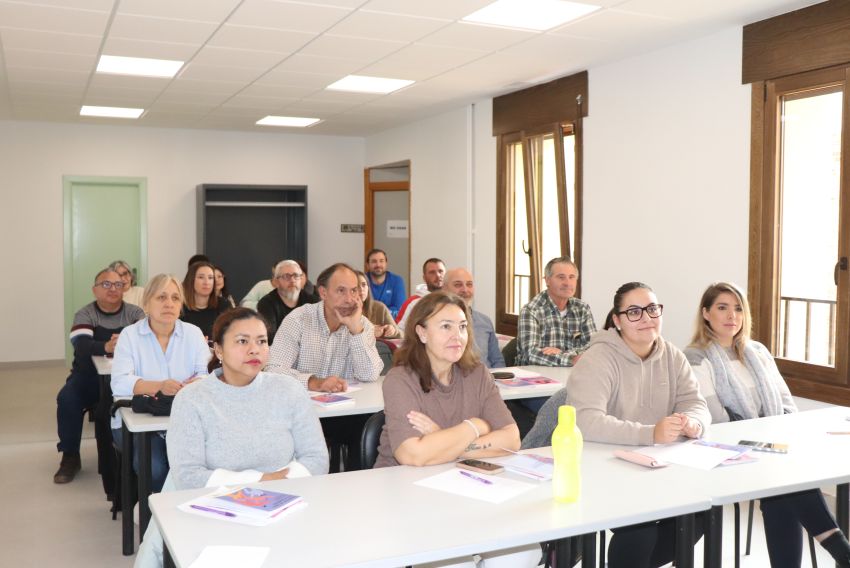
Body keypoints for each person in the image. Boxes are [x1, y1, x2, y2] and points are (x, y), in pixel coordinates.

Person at [135, 309, 329, 568]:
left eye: (261, 341)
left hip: (282, 507)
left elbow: (317, 458)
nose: (254, 349)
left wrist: (272, 490)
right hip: (211, 510)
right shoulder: (192, 398)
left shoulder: (288, 389)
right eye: (242, 341)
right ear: (218, 350)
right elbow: (189, 475)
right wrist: (261, 481)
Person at [686, 282, 850, 567]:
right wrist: (766, 439)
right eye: (722, 308)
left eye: (738, 308)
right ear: (706, 313)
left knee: (780, 485)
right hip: (725, 451)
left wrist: (784, 436)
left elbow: (786, 403)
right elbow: (717, 418)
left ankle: (841, 551)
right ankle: (840, 549)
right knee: (785, 478)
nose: (732, 316)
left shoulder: (757, 351)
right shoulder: (696, 357)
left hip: (772, 448)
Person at [375, 291, 539, 567]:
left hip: (465, 488)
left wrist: (442, 440)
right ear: (422, 333)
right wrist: (475, 426)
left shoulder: (477, 373)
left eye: (462, 326)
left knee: (521, 553)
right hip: (405, 493)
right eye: (446, 326)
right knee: (455, 562)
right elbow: (413, 456)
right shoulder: (400, 380)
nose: (458, 336)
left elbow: (511, 438)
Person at [566, 281, 710, 568]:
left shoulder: (672, 355)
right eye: (634, 312)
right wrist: (650, 433)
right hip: (603, 468)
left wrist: (693, 422)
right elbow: (585, 421)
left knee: (702, 512)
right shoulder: (598, 359)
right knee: (639, 527)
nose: (646, 318)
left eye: (652, 309)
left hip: (658, 465)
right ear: (617, 321)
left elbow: (696, 403)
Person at [267, 262, 383, 470]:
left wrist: (355, 330)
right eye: (341, 291)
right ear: (323, 292)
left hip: (347, 412)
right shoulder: (299, 319)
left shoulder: (362, 324)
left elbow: (370, 374)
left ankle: (357, 491)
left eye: (354, 291)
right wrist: (314, 382)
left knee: (370, 427)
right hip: (302, 412)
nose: (349, 299)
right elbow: (273, 369)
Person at [110, 274, 210, 492]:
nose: (169, 304)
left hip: (183, 418)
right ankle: (155, 511)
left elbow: (205, 374)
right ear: (146, 303)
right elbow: (119, 383)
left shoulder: (193, 334)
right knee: (154, 468)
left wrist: (194, 384)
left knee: (201, 464)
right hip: (138, 419)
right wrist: (160, 385)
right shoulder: (130, 335)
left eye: (175, 298)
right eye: (161, 297)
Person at [54, 269, 144, 484]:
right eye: (106, 284)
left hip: (126, 378)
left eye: (118, 284)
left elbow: (143, 341)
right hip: (88, 377)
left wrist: (116, 345)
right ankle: (70, 455)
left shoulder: (135, 313)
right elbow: (82, 345)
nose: (113, 289)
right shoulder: (85, 314)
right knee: (67, 399)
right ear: (95, 290)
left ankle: (127, 457)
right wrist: (107, 345)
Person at [516, 256, 596, 367]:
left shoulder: (582, 308)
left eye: (571, 277)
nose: (567, 283)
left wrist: (562, 353)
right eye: (561, 277)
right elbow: (530, 354)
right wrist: (572, 359)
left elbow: (593, 347)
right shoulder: (531, 310)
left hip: (571, 374)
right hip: (536, 377)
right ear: (547, 280)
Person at [443, 267, 505, 368]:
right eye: (458, 285)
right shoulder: (436, 322)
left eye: (469, 284)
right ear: (444, 288)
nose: (465, 289)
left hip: (486, 380)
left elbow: (497, 360)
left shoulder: (485, 321)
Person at [257, 260, 319, 343]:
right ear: (276, 282)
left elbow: (318, 333)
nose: (292, 280)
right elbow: (270, 337)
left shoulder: (313, 302)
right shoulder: (266, 304)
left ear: (301, 279)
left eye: (296, 276)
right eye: (287, 276)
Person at [180, 261, 229, 338]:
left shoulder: (223, 305)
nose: (206, 282)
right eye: (201, 277)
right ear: (191, 280)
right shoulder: (179, 307)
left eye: (210, 278)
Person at [396, 257, 445, 327]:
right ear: (424, 278)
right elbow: (398, 330)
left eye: (441, 271)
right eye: (432, 272)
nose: (438, 275)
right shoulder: (413, 303)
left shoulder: (451, 300)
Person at [356, 270, 401, 339]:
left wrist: (393, 330)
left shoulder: (380, 307)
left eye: (364, 285)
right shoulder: (342, 311)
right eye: (357, 286)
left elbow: (401, 335)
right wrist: (369, 332)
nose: (361, 289)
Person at [365, 248, 407, 319]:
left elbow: (399, 309)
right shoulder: (361, 280)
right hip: (366, 324)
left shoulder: (397, 281)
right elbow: (361, 308)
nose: (378, 265)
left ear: (386, 263)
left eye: (381, 261)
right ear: (367, 265)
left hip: (391, 324)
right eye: (374, 261)